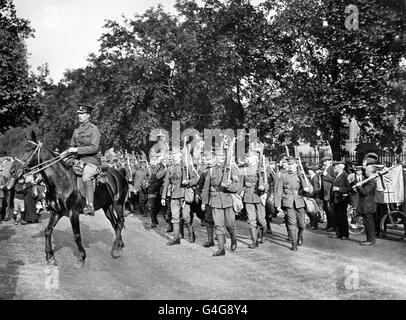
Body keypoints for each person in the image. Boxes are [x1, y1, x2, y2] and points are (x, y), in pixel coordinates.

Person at [61, 103, 101, 216]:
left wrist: (76, 150)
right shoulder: (76, 131)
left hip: (91, 161)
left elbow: (94, 148)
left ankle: (90, 206)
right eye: (79, 114)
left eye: (82, 114)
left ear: (88, 115)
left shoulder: (94, 129)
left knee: (86, 176)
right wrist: (65, 154)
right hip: (78, 161)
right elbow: (72, 147)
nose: (80, 116)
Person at [201, 150, 240, 256]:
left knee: (230, 224)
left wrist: (228, 186)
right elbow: (206, 187)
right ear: (215, 158)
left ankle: (233, 238)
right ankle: (221, 249)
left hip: (228, 200)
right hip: (215, 201)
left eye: (223, 156)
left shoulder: (231, 169)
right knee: (218, 225)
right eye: (219, 156)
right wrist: (204, 202)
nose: (221, 158)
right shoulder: (211, 170)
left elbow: (236, 186)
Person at [162, 150, 198, 245]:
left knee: (186, 216)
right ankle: (176, 238)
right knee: (174, 217)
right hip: (173, 195)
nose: (175, 159)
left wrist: (188, 182)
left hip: (184, 195)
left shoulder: (186, 167)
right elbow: (166, 183)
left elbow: (196, 179)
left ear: (181, 157)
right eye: (173, 157)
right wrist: (163, 197)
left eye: (177, 157)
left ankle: (191, 233)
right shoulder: (170, 168)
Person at [274, 157, 311, 251]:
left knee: (302, 225)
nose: (290, 167)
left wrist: (306, 188)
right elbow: (278, 191)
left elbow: (308, 189)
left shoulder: (301, 176)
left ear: (296, 165)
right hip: (288, 202)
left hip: (299, 202)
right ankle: (294, 243)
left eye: (292, 165)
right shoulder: (283, 176)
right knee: (292, 223)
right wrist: (278, 205)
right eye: (289, 165)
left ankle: (300, 235)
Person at [240, 151, 268, 248]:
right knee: (251, 219)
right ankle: (254, 241)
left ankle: (264, 232)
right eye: (247, 156)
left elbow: (266, 183)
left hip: (258, 196)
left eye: (249, 157)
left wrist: (263, 187)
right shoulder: (244, 170)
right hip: (248, 196)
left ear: (256, 158)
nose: (247, 158)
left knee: (261, 219)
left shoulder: (261, 169)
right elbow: (241, 184)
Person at [354, 165, 377, 245]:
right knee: (367, 223)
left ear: (370, 171)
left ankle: (371, 240)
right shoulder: (368, 180)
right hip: (366, 205)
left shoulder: (372, 181)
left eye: (366, 170)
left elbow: (365, 192)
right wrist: (358, 187)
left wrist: (359, 186)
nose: (365, 171)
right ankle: (369, 239)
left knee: (369, 223)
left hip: (368, 205)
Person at [329, 162, 351, 240]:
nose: (334, 169)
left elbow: (349, 188)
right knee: (337, 216)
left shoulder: (346, 175)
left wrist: (339, 189)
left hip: (342, 199)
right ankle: (339, 232)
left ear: (339, 168)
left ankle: (345, 234)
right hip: (336, 199)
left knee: (342, 217)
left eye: (335, 168)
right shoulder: (337, 176)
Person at [320, 156, 336, 232]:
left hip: (329, 192)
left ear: (330, 161)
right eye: (324, 161)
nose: (324, 162)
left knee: (330, 210)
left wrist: (326, 175)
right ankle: (329, 225)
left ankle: (332, 226)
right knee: (326, 209)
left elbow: (334, 180)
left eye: (326, 161)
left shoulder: (332, 169)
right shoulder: (324, 169)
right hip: (324, 192)